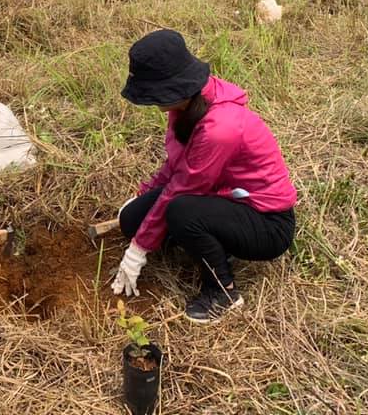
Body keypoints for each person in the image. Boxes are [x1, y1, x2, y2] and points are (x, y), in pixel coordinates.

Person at [113, 30, 297, 323]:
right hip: (221, 196)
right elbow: (176, 166)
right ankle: (203, 237)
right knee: (131, 220)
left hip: (266, 221)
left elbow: (184, 188)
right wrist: (143, 196)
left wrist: (139, 249)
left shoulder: (219, 128)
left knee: (181, 211)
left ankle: (223, 292)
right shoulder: (188, 104)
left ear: (171, 87)